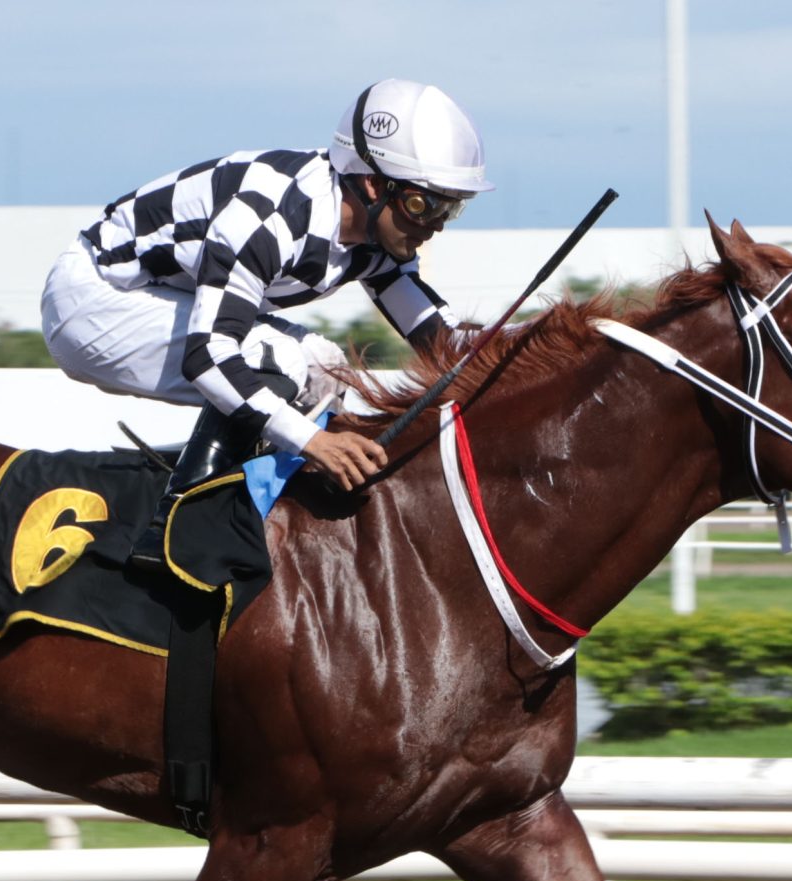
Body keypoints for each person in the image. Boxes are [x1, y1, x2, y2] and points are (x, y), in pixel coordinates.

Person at [39, 78, 492, 572]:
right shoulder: (272, 216)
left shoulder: (373, 235)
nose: (438, 224)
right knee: (286, 364)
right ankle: (172, 528)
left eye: (452, 207)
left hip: (158, 297)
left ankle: (253, 498)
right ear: (372, 184)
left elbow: (442, 339)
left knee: (325, 368)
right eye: (424, 205)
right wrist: (314, 443)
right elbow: (208, 356)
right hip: (94, 303)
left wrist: (535, 344)